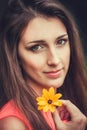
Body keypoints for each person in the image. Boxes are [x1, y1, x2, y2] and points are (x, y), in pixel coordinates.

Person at [0, 0, 87, 130]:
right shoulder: (12, 124)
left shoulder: (68, 107)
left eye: (61, 41)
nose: (55, 60)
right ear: (15, 56)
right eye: (37, 47)